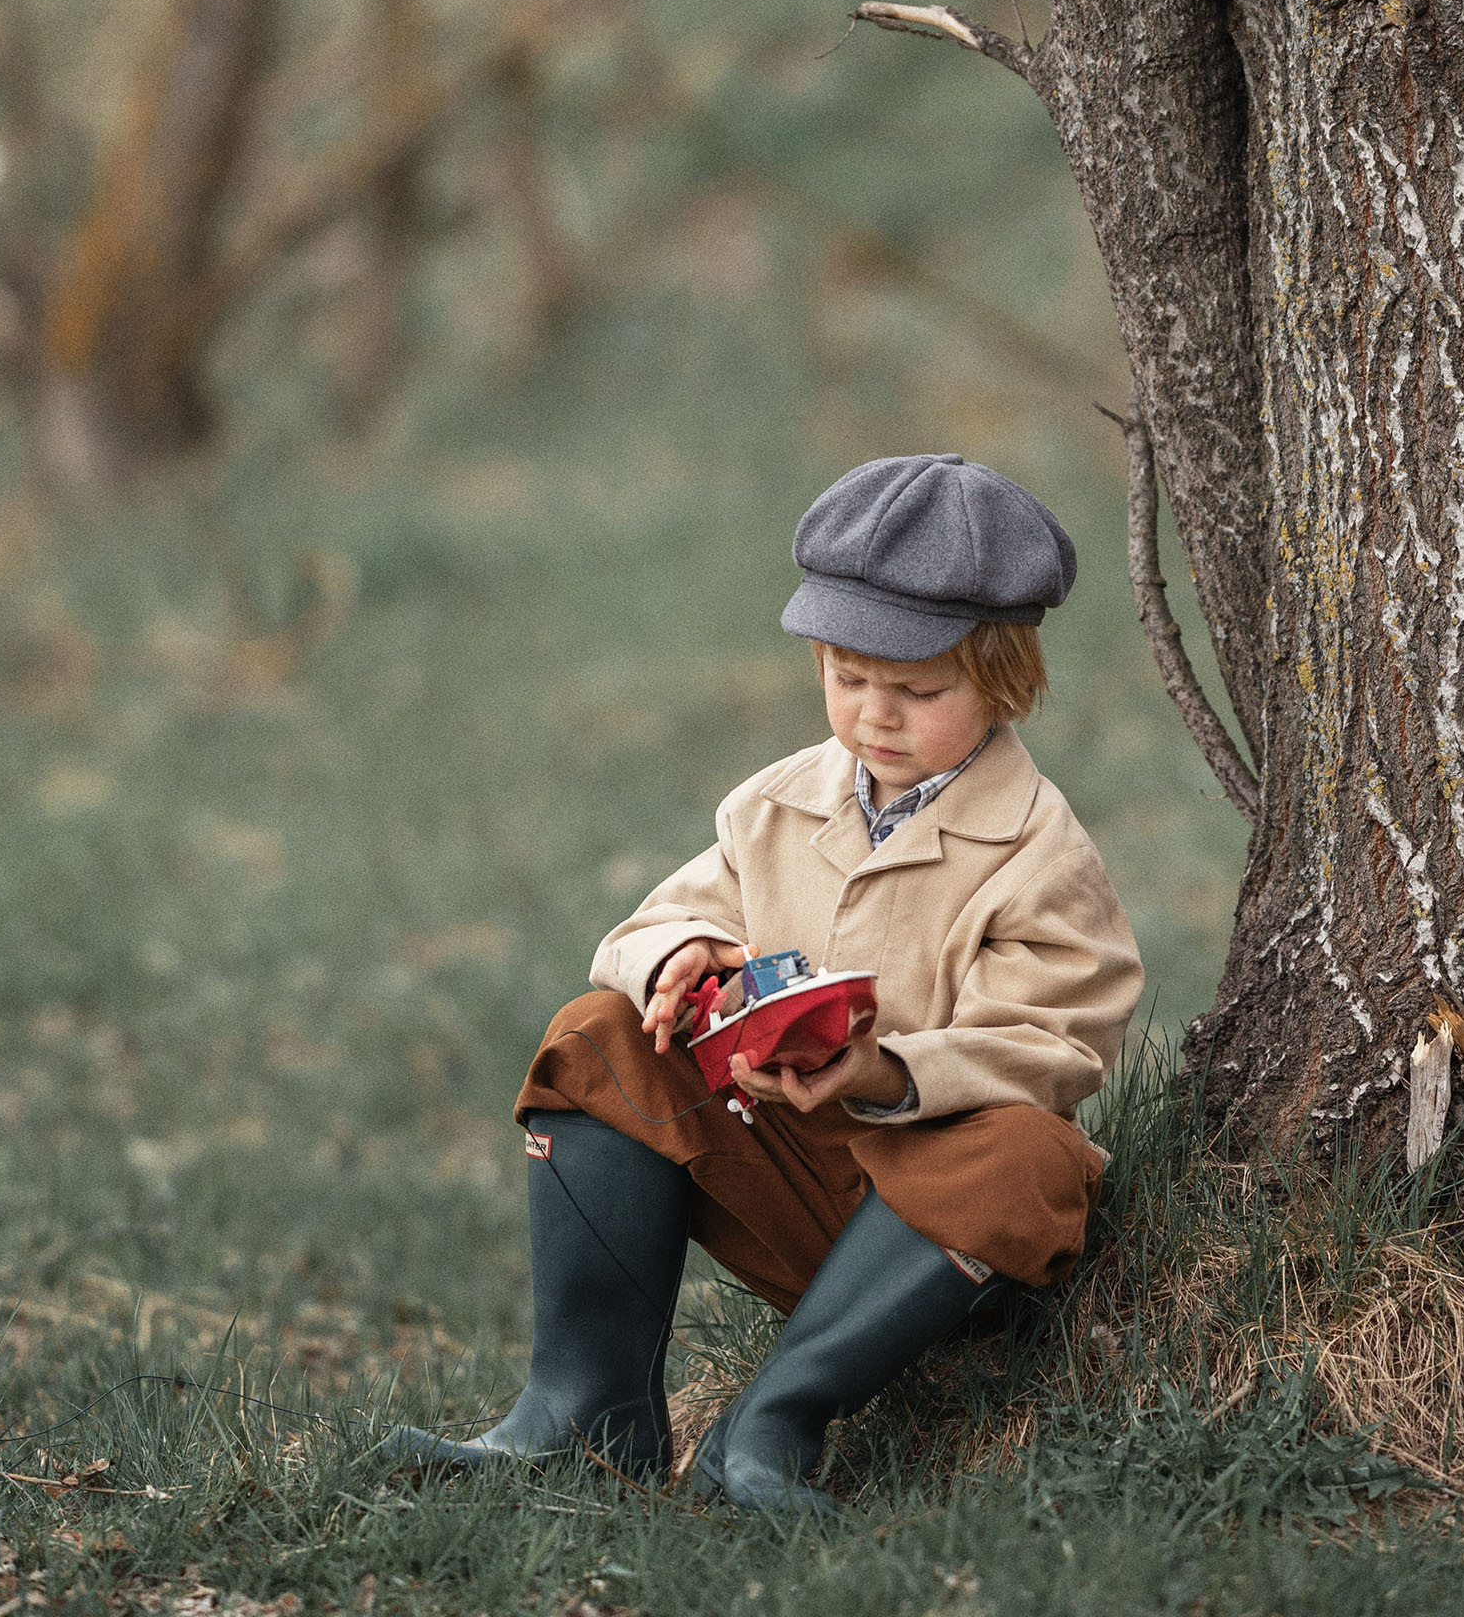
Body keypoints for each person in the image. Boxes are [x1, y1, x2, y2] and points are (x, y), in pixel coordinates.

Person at [389, 452, 1143, 1516]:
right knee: (601, 1035)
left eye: (919, 690)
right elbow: (650, 924)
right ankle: (586, 1412)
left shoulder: (1037, 850)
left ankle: (773, 1423)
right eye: (846, 678)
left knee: (1033, 1154)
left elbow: (1059, 1042)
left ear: (1004, 679)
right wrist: (682, 957)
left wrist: (883, 1070)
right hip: (785, 1181)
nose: (875, 714)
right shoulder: (777, 804)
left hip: (929, 1243)